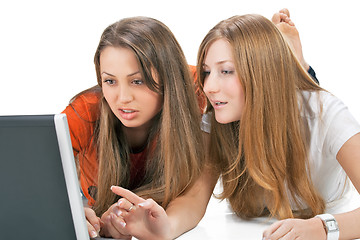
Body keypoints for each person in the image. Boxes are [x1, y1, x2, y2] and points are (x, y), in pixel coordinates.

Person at [197, 13, 360, 240]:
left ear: (261, 72)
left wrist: (322, 228)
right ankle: (290, 60)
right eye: (206, 72)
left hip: (295, 108)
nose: (208, 87)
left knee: (297, 105)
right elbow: (192, 201)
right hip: (270, 92)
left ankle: (296, 64)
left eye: (226, 70)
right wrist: (163, 225)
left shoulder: (327, 114)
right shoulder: (217, 118)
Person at [62, 16, 216, 239]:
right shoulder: (84, 112)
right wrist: (72, 213)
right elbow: (29, 177)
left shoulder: (199, 91)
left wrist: (166, 229)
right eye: (110, 81)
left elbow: (196, 194)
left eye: (138, 81)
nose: (123, 98)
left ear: (169, 78)